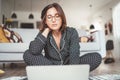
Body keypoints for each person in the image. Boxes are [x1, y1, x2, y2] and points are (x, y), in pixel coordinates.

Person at [23, 3, 102, 71]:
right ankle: (58, 74)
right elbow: (34, 50)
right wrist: (46, 30)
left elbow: (74, 56)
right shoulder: (44, 34)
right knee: (27, 54)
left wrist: (73, 69)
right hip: (51, 67)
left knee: (96, 57)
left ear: (62, 18)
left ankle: (61, 75)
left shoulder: (72, 32)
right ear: (45, 21)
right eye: (49, 17)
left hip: (70, 65)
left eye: (57, 16)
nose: (53, 20)